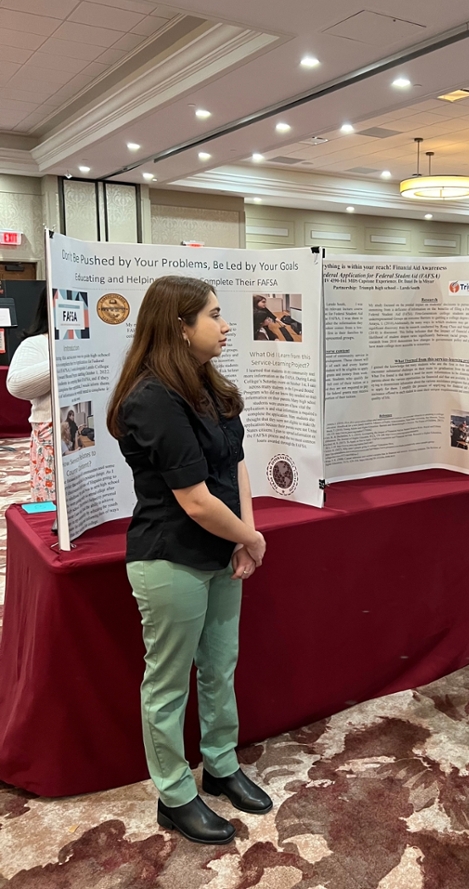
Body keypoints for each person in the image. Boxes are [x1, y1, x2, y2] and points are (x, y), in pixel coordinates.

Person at [106, 275, 271, 845]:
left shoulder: (212, 384)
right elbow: (196, 500)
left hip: (222, 551)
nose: (227, 325)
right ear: (180, 326)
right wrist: (249, 539)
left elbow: (237, 465)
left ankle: (221, 765)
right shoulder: (151, 399)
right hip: (170, 558)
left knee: (220, 665)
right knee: (169, 683)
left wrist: (244, 535)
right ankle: (175, 794)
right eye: (216, 315)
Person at [6, 288, 55, 502]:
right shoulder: (37, 344)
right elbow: (17, 385)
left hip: (98, 432)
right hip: (52, 435)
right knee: (52, 505)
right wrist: (65, 357)